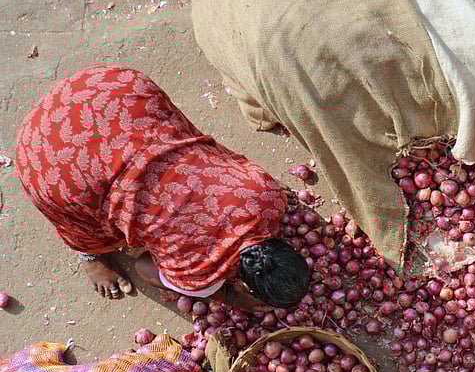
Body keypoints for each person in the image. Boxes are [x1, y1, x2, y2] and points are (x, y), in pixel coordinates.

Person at [15, 66, 310, 310]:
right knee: (83, 214)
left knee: (190, 146)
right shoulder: (198, 272)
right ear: (244, 283)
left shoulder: (269, 195)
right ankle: (90, 257)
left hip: (111, 91)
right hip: (49, 163)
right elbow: (144, 267)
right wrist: (224, 296)